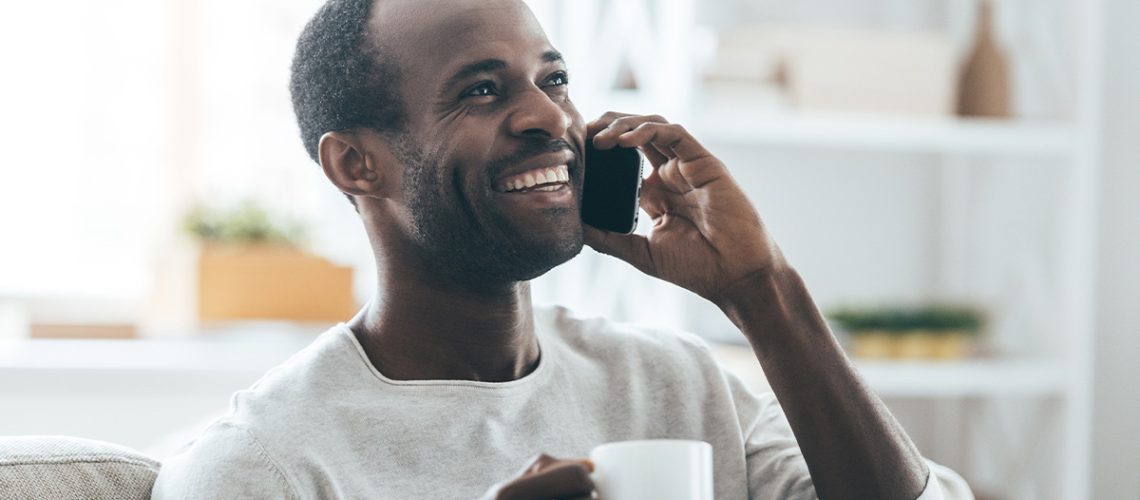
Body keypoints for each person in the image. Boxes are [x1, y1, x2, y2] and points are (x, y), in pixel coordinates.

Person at [152, 0, 974, 498]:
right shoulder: (262, 466)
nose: (550, 117)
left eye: (552, 78)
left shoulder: (676, 384)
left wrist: (762, 290)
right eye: (481, 89)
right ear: (356, 164)